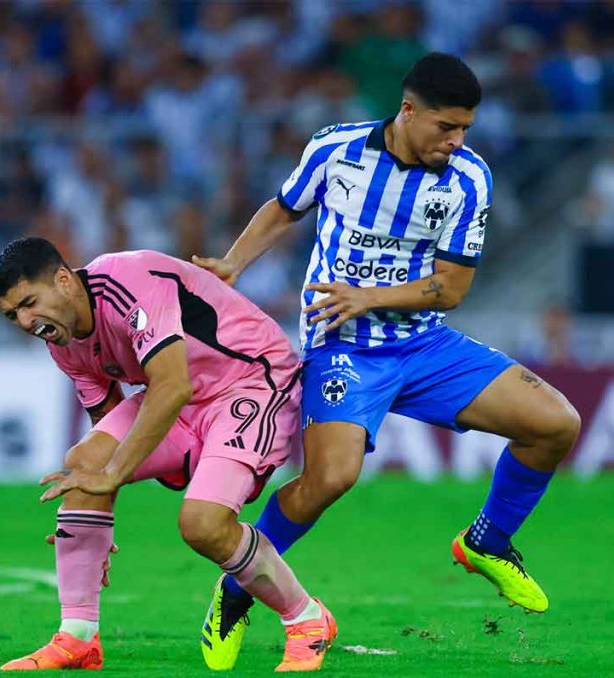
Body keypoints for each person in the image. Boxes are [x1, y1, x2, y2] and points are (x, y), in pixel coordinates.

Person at [193, 53, 581, 668]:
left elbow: (451, 288)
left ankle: (488, 541)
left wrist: (368, 297)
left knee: (556, 423)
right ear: (408, 111)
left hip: (424, 344)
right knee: (330, 479)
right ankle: (238, 587)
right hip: (341, 344)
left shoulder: (468, 179)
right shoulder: (336, 149)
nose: (455, 141)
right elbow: (285, 206)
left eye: (465, 131)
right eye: (445, 127)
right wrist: (234, 265)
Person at [0, 238, 337, 672]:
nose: (24, 321)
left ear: (63, 280)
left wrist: (112, 476)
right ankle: (78, 637)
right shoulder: (62, 343)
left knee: (203, 525)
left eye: (29, 303)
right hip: (182, 400)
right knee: (82, 467)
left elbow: (172, 384)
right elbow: (108, 425)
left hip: (251, 381)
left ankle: (306, 619)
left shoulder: (126, 280)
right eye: (12, 315)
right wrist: (90, 528)